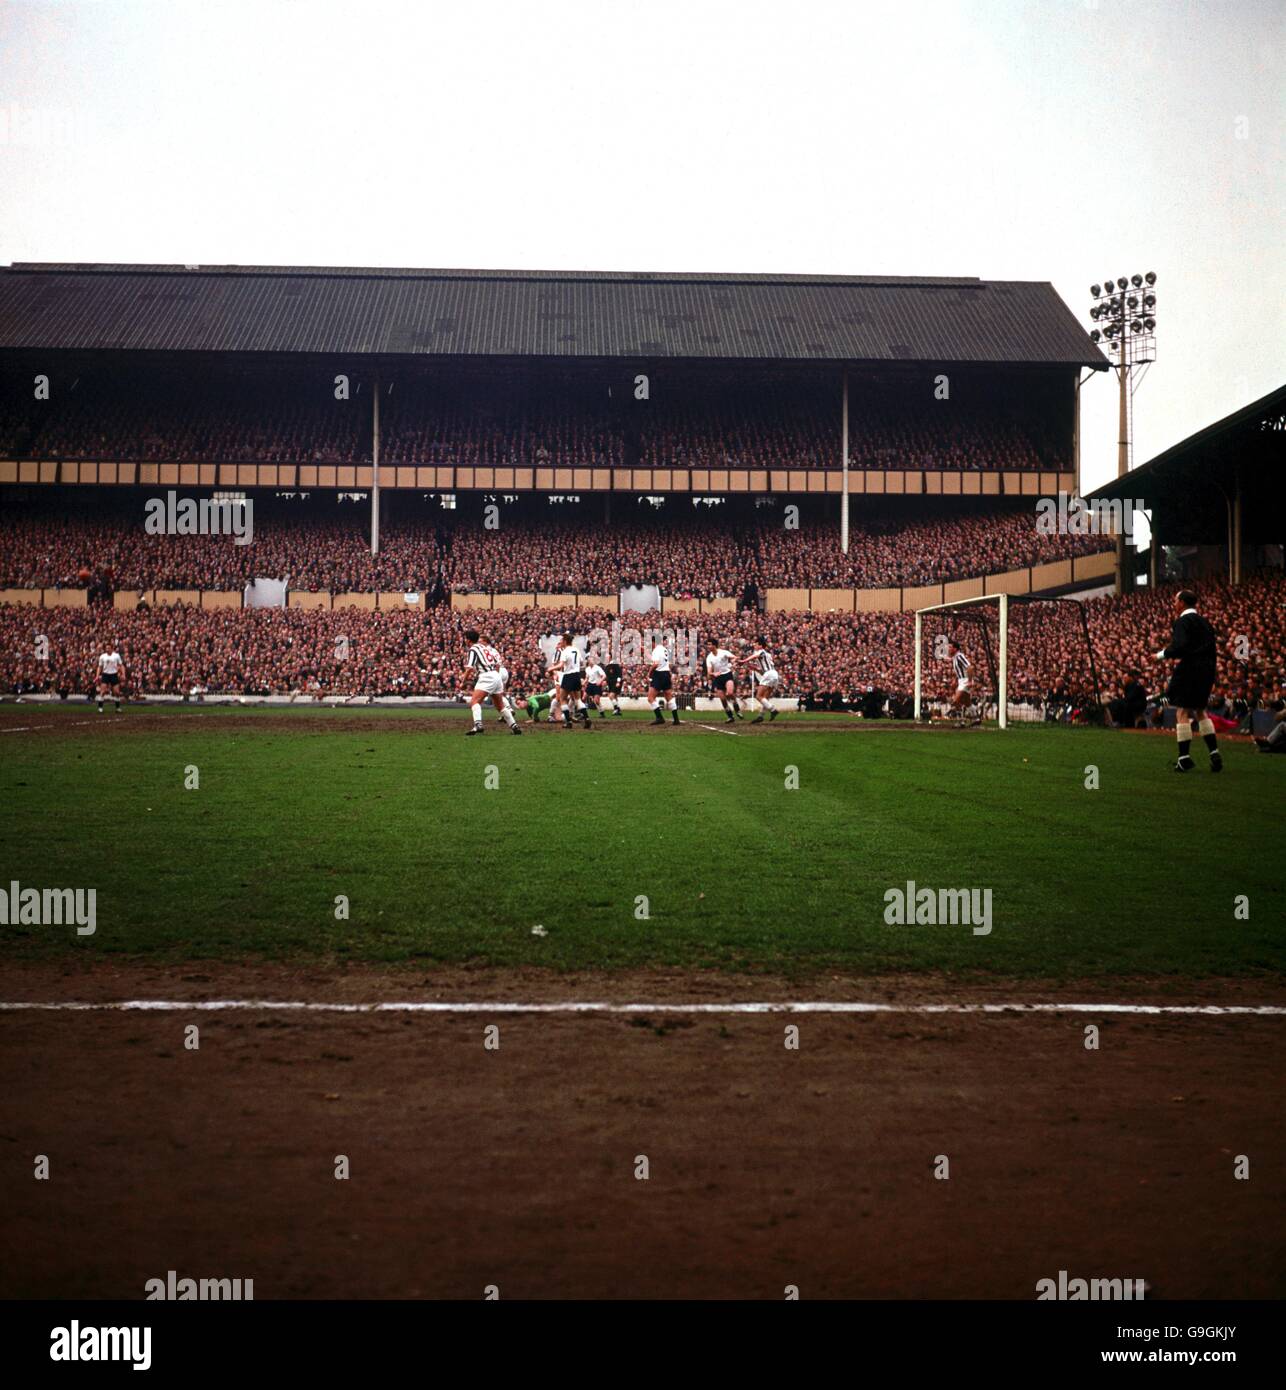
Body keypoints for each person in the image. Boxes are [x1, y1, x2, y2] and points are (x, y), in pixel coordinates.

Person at [1155, 589, 1221, 773]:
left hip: (1191, 668)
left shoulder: (1183, 621)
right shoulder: (1205, 622)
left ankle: (1184, 758)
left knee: (1182, 711)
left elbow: (1180, 646)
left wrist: (1161, 654)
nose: (1174, 604)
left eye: (1175, 601)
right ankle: (1214, 752)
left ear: (1182, 602)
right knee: (1200, 710)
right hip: (1207, 670)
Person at [462, 629, 521, 736]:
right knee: (500, 706)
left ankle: (478, 724)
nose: (464, 640)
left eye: (465, 638)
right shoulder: (484, 647)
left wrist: (463, 681)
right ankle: (514, 726)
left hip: (487, 676)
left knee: (474, 702)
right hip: (496, 675)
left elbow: (469, 667)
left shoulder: (473, 649)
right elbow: (496, 663)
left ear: (468, 640)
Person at [549, 632, 591, 729]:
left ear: (565, 641)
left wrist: (551, 669)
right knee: (578, 699)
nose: (560, 642)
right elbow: (581, 663)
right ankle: (587, 718)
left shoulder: (565, 651)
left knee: (562, 699)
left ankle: (568, 722)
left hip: (568, 676)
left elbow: (560, 665)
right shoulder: (576, 650)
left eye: (561, 640)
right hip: (577, 675)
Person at [738, 636, 781, 723]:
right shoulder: (767, 654)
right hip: (774, 674)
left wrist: (743, 661)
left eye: (756, 644)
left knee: (759, 696)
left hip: (769, 674)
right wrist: (754, 668)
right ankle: (761, 716)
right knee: (765, 697)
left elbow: (754, 656)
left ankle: (773, 710)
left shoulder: (761, 652)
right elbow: (762, 671)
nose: (754, 645)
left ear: (760, 645)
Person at [704, 639, 743, 723]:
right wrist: (713, 674)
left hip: (727, 674)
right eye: (708, 645)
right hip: (718, 678)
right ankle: (730, 716)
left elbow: (734, 657)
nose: (708, 646)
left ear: (715, 645)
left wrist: (734, 661)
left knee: (730, 693)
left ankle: (737, 710)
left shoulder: (723, 652)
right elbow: (709, 673)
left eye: (710, 644)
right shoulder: (709, 658)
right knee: (723, 699)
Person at [647, 637, 679, 726]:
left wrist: (649, 673)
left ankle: (659, 718)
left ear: (654, 642)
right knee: (669, 697)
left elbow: (656, 663)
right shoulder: (665, 649)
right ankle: (676, 719)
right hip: (666, 673)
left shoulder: (656, 650)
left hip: (659, 674)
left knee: (650, 698)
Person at [96, 643, 126, 713]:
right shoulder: (102, 656)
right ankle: (100, 708)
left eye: (109, 648)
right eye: (106, 648)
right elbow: (99, 667)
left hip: (114, 675)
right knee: (102, 692)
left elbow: (121, 665)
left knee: (117, 692)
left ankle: (118, 708)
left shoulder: (116, 656)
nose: (107, 649)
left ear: (112, 648)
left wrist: (123, 674)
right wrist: (97, 676)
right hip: (105, 675)